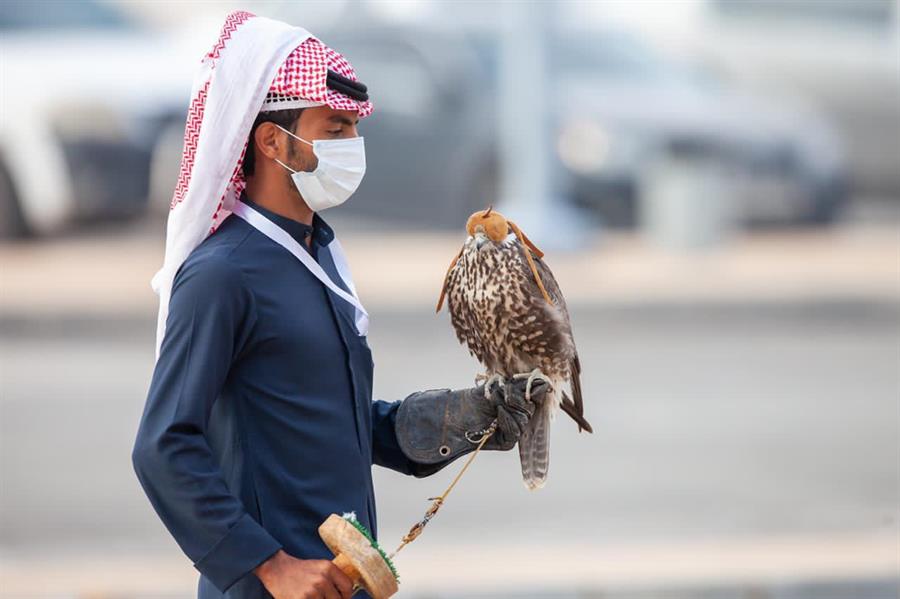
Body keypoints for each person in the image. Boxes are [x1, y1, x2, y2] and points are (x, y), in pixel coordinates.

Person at [130, 12, 546, 599]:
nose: (352, 146)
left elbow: (325, 419)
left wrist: (461, 419)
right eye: (334, 129)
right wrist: (270, 566)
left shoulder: (318, 255)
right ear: (271, 141)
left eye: (353, 128)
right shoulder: (221, 275)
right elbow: (163, 446)